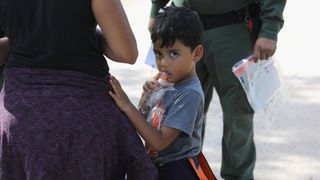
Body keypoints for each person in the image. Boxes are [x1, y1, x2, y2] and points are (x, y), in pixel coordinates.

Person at [0, 0, 158, 179]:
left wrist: (27, 38)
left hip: (20, 117)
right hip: (84, 119)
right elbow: (126, 52)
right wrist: (83, 34)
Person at [149, 0, 286, 179]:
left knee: (238, 115)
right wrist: (155, 10)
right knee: (177, 111)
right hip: (180, 28)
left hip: (231, 29)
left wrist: (269, 28)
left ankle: (238, 176)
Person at [109, 7, 205, 179]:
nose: (163, 63)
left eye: (173, 53)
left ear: (196, 54)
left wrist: (127, 105)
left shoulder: (189, 94)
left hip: (177, 170)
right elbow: (143, 123)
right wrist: (146, 98)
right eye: (158, 53)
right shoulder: (166, 83)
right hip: (157, 166)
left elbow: (159, 142)